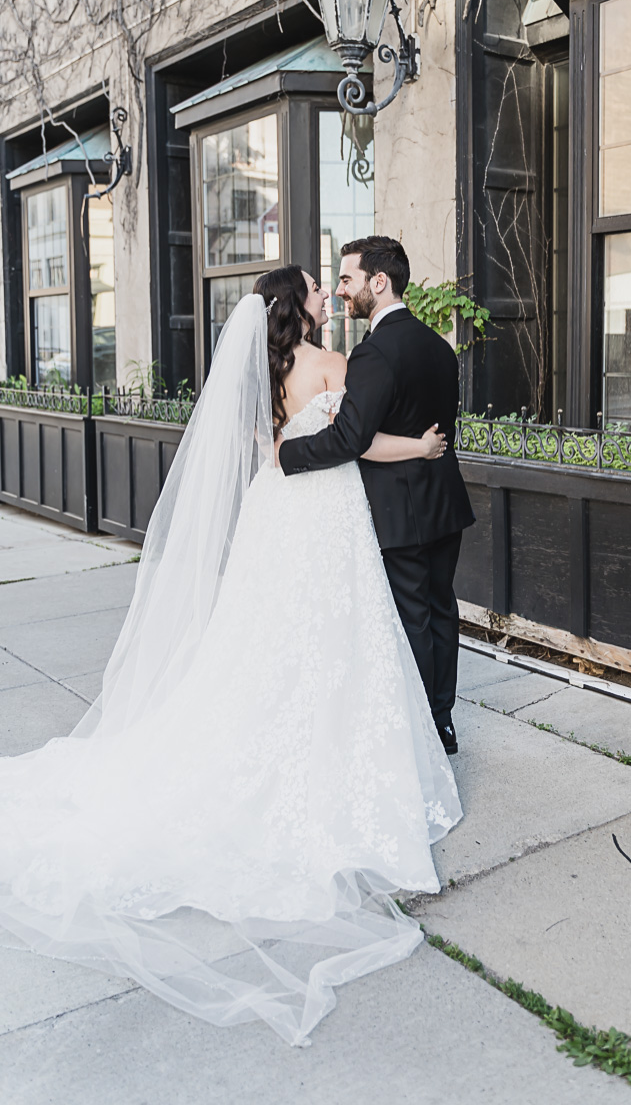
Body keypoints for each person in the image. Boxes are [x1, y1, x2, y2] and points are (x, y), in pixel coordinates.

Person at [0, 266, 462, 1047]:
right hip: (322, 515)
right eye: (319, 288)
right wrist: (418, 444)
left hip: (274, 514)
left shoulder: (264, 369)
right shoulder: (332, 365)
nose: (326, 295)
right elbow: (356, 442)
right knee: (332, 635)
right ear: (299, 306)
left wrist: (292, 451)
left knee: (267, 639)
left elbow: (273, 444)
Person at [276, 236, 476, 757]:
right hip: (444, 501)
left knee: (414, 618)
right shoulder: (440, 346)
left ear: (378, 281)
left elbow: (350, 439)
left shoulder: (373, 353)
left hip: (398, 510)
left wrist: (287, 455)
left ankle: (425, 732)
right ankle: (444, 720)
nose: (342, 291)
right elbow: (441, 428)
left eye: (348, 279)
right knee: (441, 609)